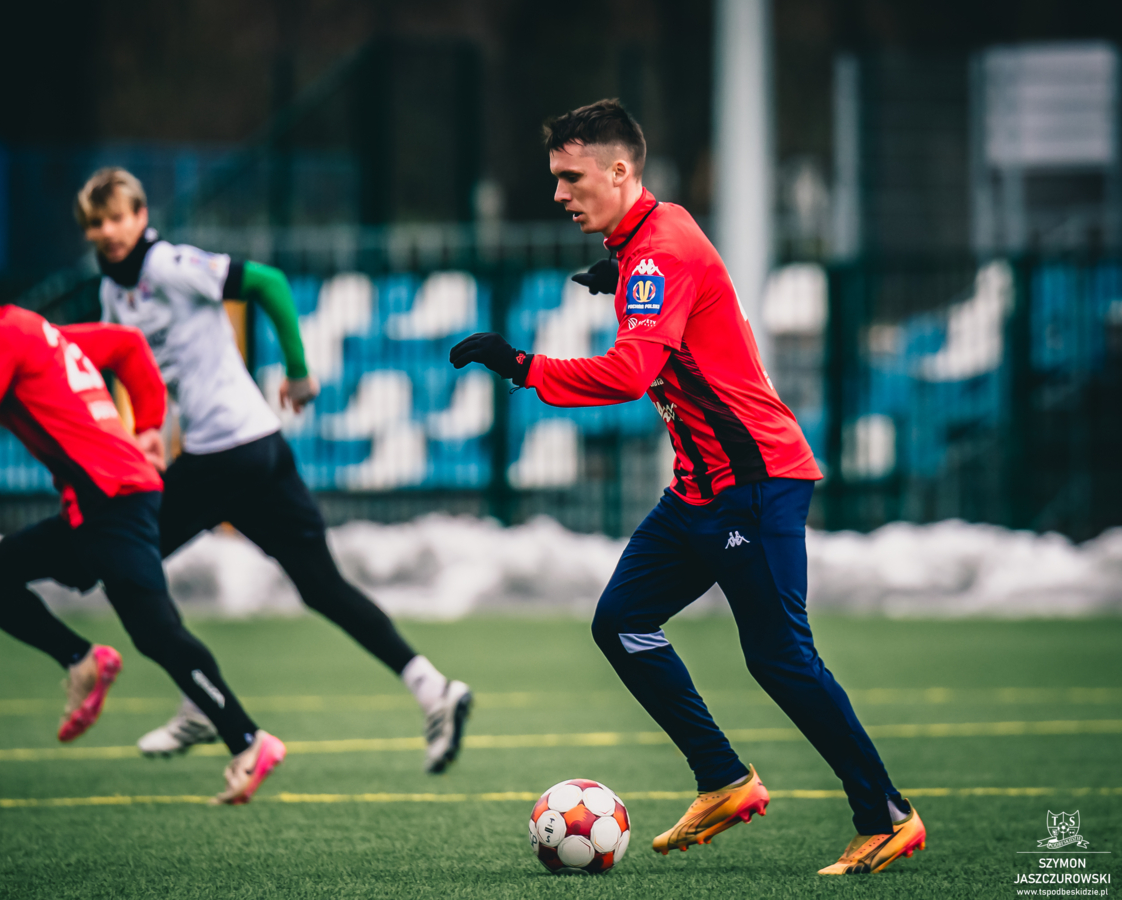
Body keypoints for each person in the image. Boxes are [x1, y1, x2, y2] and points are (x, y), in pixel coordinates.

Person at [450, 100, 926, 875]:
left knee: (780, 658)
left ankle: (887, 816)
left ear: (618, 171)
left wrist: (522, 366)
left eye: (571, 177)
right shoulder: (649, 241)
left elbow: (629, 372)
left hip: (755, 483)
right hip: (700, 490)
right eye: (556, 178)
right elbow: (674, 296)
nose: (560, 193)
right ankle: (723, 779)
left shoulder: (659, 250)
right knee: (622, 624)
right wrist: (624, 277)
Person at [74, 168, 472, 774]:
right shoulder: (113, 291)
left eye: (116, 218)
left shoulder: (169, 265)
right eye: (95, 223)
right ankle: (433, 688)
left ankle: (199, 697)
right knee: (321, 586)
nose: (107, 231)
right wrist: (141, 432)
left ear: (141, 216)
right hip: (255, 449)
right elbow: (129, 371)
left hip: (227, 451)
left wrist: (297, 367)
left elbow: (268, 281)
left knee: (124, 559)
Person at [0, 262, 285, 805]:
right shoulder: (34, 330)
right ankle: (84, 660)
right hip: (98, 506)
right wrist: (149, 426)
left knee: (156, 632)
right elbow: (127, 345)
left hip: (113, 502)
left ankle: (247, 740)